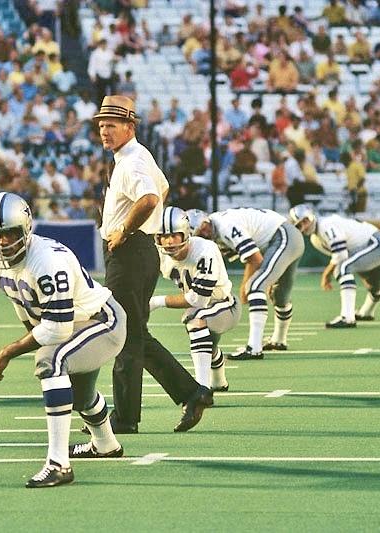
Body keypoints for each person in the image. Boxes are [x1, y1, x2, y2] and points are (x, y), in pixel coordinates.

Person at [0, 192, 125, 488]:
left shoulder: (46, 261)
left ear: (25, 229)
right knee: (81, 396)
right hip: (76, 323)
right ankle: (105, 445)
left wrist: (8, 352)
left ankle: (58, 464)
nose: (2, 243)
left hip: (103, 320)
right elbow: (27, 310)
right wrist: (30, 338)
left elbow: (57, 329)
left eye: (8, 234)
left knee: (50, 360)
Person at [95, 95, 209, 434]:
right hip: (139, 250)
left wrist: (125, 230)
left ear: (129, 127)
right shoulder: (137, 155)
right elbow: (164, 186)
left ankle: (125, 418)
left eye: (111, 125)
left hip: (129, 250)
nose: (104, 131)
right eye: (101, 125)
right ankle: (192, 392)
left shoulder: (130, 161)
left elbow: (149, 198)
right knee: (135, 334)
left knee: (124, 336)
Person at [149, 207, 239, 394]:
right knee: (206, 340)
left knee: (195, 319)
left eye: (174, 235)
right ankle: (218, 380)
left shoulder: (205, 250)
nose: (169, 241)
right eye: (163, 236)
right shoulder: (159, 255)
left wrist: (156, 302)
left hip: (225, 305)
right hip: (204, 308)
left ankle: (201, 389)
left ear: (186, 233)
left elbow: (198, 299)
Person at [196, 207, 304, 359]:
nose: (205, 232)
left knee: (255, 287)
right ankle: (279, 340)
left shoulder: (225, 226)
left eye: (204, 227)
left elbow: (255, 258)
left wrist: (244, 287)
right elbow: (249, 257)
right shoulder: (217, 227)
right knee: (280, 295)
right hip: (288, 237)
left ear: (207, 220)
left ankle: (254, 348)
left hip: (283, 237)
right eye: (200, 232)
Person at [289, 204, 380, 327]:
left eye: (306, 220)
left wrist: (326, 274)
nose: (304, 226)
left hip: (375, 243)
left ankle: (347, 317)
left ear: (311, 216)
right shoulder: (315, 239)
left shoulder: (326, 225)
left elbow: (340, 256)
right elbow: (343, 254)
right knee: (373, 284)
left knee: (342, 269)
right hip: (368, 245)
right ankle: (367, 312)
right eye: (300, 225)